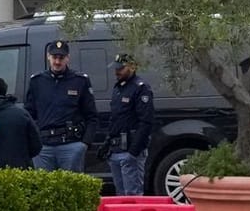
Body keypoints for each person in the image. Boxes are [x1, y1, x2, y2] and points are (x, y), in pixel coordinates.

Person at [26, 39, 97, 171]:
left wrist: (85, 143)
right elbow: (29, 114)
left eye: (61, 57)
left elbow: (92, 116)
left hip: (71, 145)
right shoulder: (37, 81)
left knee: (71, 189)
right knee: (44, 189)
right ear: (48, 56)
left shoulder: (80, 81)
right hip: (44, 146)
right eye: (54, 57)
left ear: (68, 58)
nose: (57, 61)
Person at [107, 53, 156, 196]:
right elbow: (115, 119)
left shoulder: (140, 88)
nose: (117, 72)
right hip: (116, 150)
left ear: (132, 67)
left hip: (130, 149)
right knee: (120, 196)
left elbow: (146, 122)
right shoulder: (118, 88)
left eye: (121, 68)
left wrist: (133, 152)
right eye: (116, 68)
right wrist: (107, 145)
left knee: (132, 196)